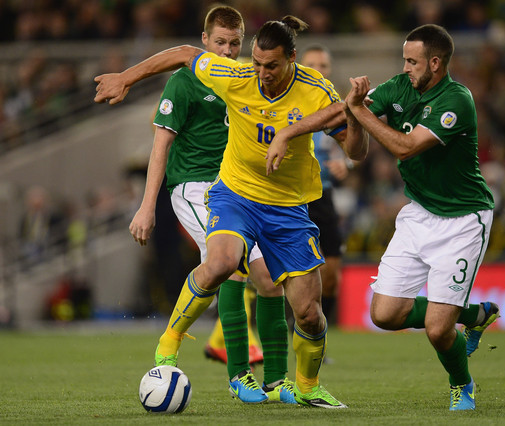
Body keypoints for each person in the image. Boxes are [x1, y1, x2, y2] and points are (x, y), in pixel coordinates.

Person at [94, 15, 367, 408]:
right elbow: (184, 53)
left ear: (292, 58)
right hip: (234, 194)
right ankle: (174, 344)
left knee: (307, 312)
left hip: (288, 206)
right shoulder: (234, 75)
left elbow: (356, 150)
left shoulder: (316, 90)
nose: (262, 73)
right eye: (256, 63)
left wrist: (354, 115)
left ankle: (300, 385)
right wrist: (125, 77)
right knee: (224, 262)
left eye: (271, 66)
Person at [127, 6, 292, 404]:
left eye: (234, 43)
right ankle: (230, 371)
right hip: (194, 187)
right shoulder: (185, 82)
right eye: (219, 42)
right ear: (205, 41)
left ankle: (277, 381)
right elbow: (160, 146)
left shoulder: (246, 78)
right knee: (231, 264)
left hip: (237, 188)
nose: (227, 51)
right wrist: (147, 206)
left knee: (269, 278)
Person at [344, 24, 500, 411]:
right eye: (404, 60)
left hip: (463, 220)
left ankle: (462, 384)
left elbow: (405, 147)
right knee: (384, 314)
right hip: (419, 213)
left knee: (437, 330)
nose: (405, 68)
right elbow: (351, 135)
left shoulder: (457, 99)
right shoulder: (399, 87)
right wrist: (300, 128)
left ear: (435, 63)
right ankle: (474, 314)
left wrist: (357, 110)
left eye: (412, 62)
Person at [300, 44, 351, 325]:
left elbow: (356, 148)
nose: (318, 71)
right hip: (292, 196)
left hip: (323, 194)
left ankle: (319, 333)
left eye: (323, 66)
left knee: (331, 276)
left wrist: (348, 163)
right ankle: (294, 330)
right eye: (312, 65)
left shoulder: (337, 106)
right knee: (290, 275)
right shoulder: (286, 99)